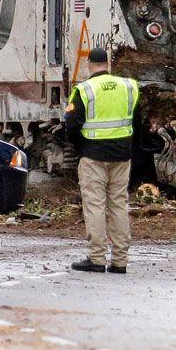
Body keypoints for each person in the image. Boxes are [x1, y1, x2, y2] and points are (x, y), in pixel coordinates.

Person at [64, 47, 140, 274]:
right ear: (108, 64)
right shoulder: (129, 87)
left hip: (94, 156)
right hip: (122, 155)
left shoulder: (84, 90)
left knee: (95, 205)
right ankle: (120, 261)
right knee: (119, 205)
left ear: (89, 64)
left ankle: (96, 258)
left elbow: (71, 126)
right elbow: (138, 122)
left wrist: (82, 149)